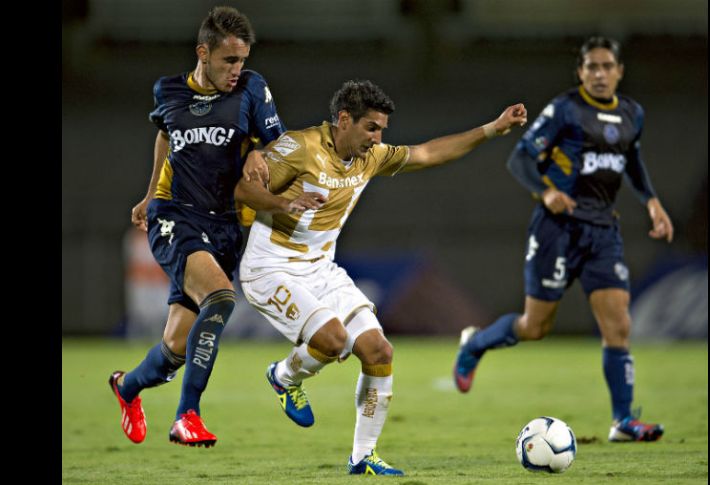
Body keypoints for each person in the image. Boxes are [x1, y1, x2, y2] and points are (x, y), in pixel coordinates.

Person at [233, 79, 527, 475]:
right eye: (371, 128)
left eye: (382, 130)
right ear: (343, 120)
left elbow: (426, 153)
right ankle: (284, 377)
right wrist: (286, 201)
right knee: (333, 339)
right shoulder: (299, 147)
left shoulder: (369, 158)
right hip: (271, 268)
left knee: (379, 352)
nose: (378, 137)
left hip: (321, 269)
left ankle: (362, 457)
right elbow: (243, 191)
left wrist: (491, 129)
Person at [107, 6, 322, 448]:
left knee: (175, 351)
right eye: (228, 60)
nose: (236, 70)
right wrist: (150, 195)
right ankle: (187, 415)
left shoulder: (251, 89)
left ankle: (127, 387)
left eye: (242, 60)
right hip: (176, 216)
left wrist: (258, 152)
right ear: (202, 52)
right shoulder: (167, 90)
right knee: (222, 298)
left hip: (225, 226)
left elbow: (277, 144)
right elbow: (165, 134)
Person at [452, 36, 674, 443]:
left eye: (607, 66)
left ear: (619, 71)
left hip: (603, 231)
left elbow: (633, 160)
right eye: (592, 67)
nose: (600, 74)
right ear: (581, 72)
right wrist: (546, 191)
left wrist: (652, 202)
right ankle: (475, 345)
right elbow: (519, 158)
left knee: (619, 326)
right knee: (535, 327)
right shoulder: (565, 110)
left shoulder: (631, 114)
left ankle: (623, 421)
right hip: (558, 230)